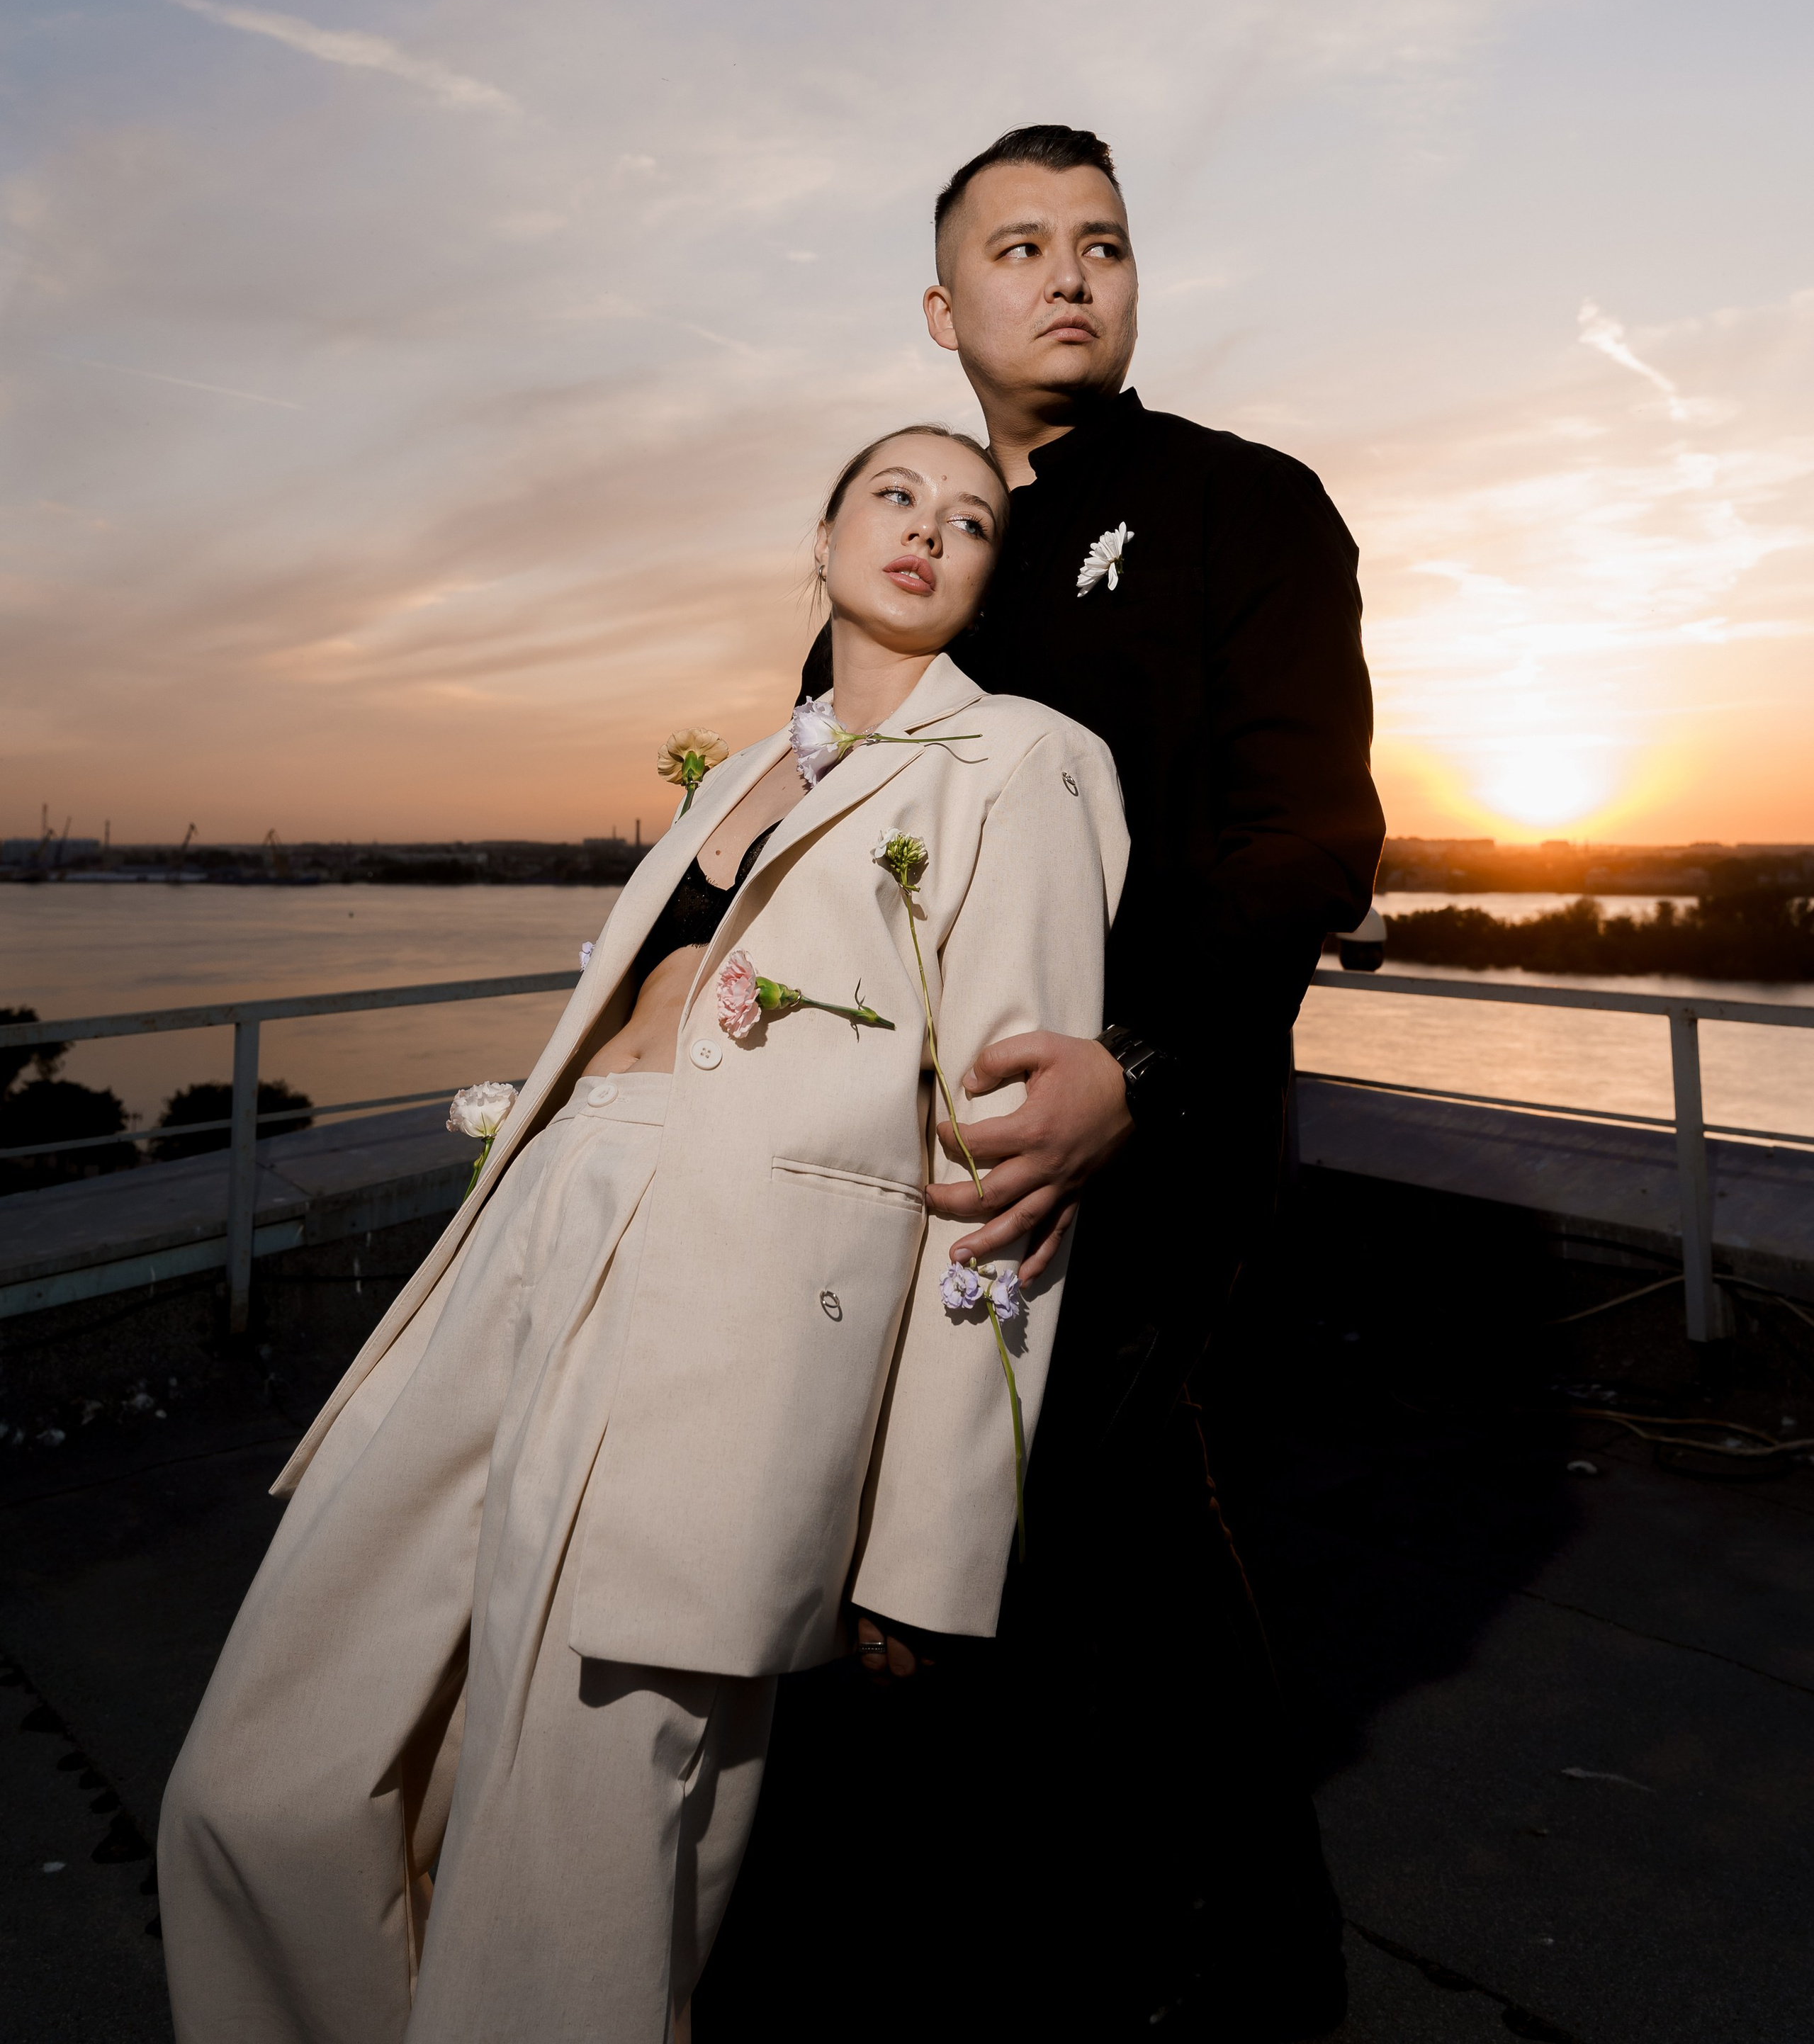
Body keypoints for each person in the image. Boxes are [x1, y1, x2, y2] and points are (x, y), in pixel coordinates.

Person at [157, 422, 1127, 2044]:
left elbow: (1001, 1165)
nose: (927, 529)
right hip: (542, 1216)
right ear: (817, 538)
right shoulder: (740, 769)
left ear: (981, 581)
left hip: (737, 1319)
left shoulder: (1022, 760)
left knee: (572, 1871)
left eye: (968, 519)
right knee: (261, 1775)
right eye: (891, 494)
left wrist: (930, 1543)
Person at [698, 128, 1384, 2043]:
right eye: (1019, 247)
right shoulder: (918, 541)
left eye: (1103, 243)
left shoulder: (1247, 509)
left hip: (1133, 1153)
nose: (1070, 273)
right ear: (946, 309)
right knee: (901, 1580)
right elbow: (805, 837)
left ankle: (1247, 1989)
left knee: (1094, 1552)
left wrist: (1134, 1071)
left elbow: (1310, 844)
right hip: (885, 1167)